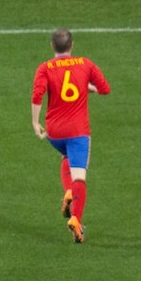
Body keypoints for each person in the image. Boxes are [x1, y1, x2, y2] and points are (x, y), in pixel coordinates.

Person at [31, 28, 111, 243]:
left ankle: (68, 192)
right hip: (77, 132)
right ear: (72, 46)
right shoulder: (85, 64)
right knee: (80, 177)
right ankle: (76, 219)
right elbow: (105, 88)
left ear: (52, 46)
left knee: (66, 156)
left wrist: (35, 122)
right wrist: (89, 88)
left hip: (54, 133)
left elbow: (38, 94)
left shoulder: (45, 68)